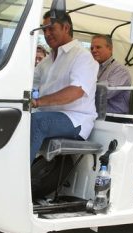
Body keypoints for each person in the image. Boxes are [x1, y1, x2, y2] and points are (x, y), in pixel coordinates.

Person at [30, 11, 98, 164]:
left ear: (66, 28)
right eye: (44, 29)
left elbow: (76, 92)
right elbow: (28, 83)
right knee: (16, 117)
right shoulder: (46, 61)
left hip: (75, 119)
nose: (46, 34)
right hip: (47, 115)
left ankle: (17, 180)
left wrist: (38, 102)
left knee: (36, 122)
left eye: (51, 28)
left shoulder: (83, 56)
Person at [90, 34, 132, 114]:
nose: (94, 50)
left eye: (98, 47)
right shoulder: (93, 68)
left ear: (110, 49)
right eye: (92, 48)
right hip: (96, 115)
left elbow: (104, 93)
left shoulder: (120, 70)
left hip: (114, 118)